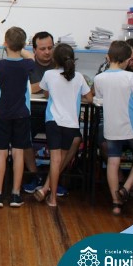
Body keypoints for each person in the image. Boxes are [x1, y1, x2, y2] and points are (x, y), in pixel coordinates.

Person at [92, 40, 133, 216]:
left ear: (108, 57)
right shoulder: (132, 78)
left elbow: (99, 100)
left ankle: (116, 203)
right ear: (127, 60)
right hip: (131, 127)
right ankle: (126, 188)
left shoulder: (99, 78)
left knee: (113, 162)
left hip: (111, 128)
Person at [0, 26, 35, 208]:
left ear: (5, 43)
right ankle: (16, 195)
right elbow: (31, 58)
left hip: (2, 114)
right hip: (22, 114)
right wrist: (23, 49)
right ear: (23, 45)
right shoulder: (27, 64)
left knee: (1, 154)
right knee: (18, 153)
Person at [34, 43, 93, 207]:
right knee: (60, 160)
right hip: (71, 124)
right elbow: (90, 98)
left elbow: (46, 93)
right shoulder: (79, 77)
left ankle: (52, 198)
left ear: (54, 59)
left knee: (55, 160)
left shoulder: (48, 74)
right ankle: (49, 193)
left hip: (53, 121)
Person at [22, 32, 59, 195]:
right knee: (22, 134)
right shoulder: (27, 65)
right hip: (33, 112)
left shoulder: (60, 63)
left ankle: (55, 178)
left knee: (74, 139)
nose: (47, 52)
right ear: (34, 50)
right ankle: (35, 175)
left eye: (50, 48)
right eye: (43, 49)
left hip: (57, 115)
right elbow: (26, 88)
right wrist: (46, 83)